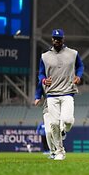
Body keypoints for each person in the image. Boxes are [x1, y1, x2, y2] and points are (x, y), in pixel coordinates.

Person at [38, 28, 84, 161]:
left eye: (59, 39)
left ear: (63, 39)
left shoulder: (73, 53)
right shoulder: (45, 56)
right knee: (53, 124)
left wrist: (78, 76)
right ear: (52, 39)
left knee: (68, 120)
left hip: (68, 92)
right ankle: (59, 151)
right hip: (51, 94)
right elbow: (41, 72)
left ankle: (65, 129)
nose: (56, 41)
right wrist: (43, 80)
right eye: (54, 38)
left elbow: (80, 66)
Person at [34, 81, 57, 159]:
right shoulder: (44, 79)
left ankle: (58, 150)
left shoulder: (61, 78)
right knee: (49, 133)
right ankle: (52, 152)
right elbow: (40, 82)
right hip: (47, 109)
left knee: (57, 131)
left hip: (58, 109)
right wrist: (37, 97)